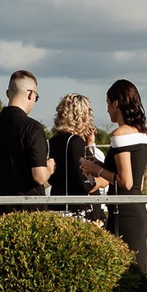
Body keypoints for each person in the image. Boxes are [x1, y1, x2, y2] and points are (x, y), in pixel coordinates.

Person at [100, 79, 147, 292]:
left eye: (108, 103)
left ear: (117, 102)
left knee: (122, 278)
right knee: (136, 276)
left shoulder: (120, 134)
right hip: (138, 210)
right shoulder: (140, 133)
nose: (107, 109)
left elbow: (124, 180)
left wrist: (95, 167)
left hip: (124, 212)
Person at [0, 69, 55, 215]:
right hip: (27, 216)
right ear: (31, 94)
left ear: (8, 93)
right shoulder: (32, 128)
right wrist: (50, 167)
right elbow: (39, 176)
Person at [50, 93, 107, 221]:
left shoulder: (53, 141)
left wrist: (89, 145)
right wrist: (104, 181)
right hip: (79, 212)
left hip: (58, 207)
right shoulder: (75, 142)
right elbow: (86, 183)